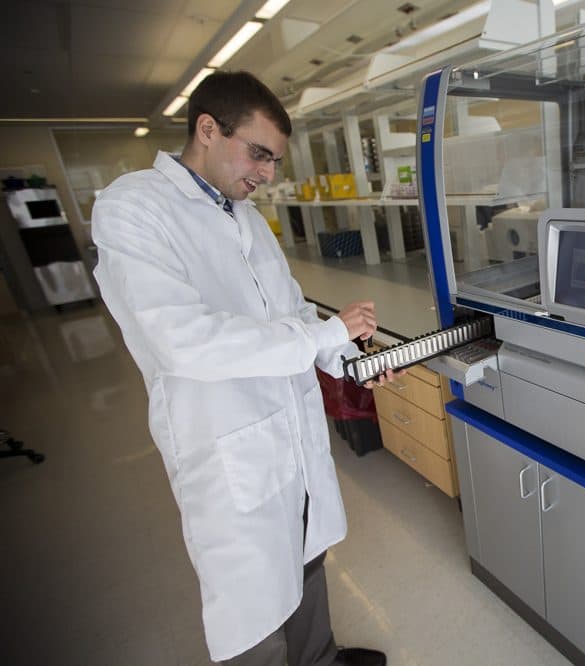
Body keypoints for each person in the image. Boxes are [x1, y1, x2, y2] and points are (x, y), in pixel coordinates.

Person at [92, 70, 392, 666]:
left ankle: (319, 658)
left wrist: (348, 358)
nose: (267, 174)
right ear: (208, 128)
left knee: (306, 554)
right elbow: (182, 337)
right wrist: (320, 339)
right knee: (250, 593)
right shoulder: (133, 208)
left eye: (275, 161)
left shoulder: (246, 216)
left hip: (290, 424)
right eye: (259, 154)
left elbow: (291, 311)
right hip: (226, 440)